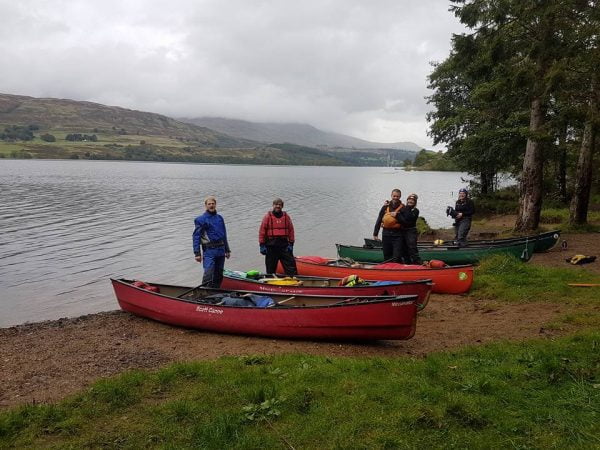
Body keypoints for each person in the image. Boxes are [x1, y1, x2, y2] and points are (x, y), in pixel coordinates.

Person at [192, 196, 231, 287]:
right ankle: (204, 292)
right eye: (209, 204)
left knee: (219, 274)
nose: (211, 205)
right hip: (209, 251)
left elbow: (224, 234)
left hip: (221, 250)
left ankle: (215, 293)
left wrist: (227, 250)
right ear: (206, 206)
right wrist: (197, 253)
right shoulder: (200, 219)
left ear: (215, 205)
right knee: (208, 274)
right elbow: (196, 236)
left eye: (213, 203)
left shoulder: (220, 218)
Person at [259, 198, 297, 275]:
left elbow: (291, 230)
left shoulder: (286, 217)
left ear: (282, 206)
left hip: (284, 245)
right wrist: (262, 245)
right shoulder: (267, 217)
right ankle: (270, 282)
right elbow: (262, 232)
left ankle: (293, 281)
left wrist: (291, 243)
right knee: (270, 269)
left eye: (279, 205)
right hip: (271, 246)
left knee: (291, 266)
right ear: (273, 205)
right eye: (276, 204)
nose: (278, 206)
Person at [372, 189, 404, 262]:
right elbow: (379, 219)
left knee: (397, 256)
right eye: (394, 196)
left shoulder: (403, 207)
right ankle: (388, 271)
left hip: (398, 235)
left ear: (400, 196)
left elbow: (405, 221)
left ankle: (397, 271)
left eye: (397, 196)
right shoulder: (385, 206)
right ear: (391, 195)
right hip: (386, 234)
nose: (395, 197)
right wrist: (375, 234)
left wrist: (397, 216)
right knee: (387, 255)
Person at [397, 193, 422, 264]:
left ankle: (417, 262)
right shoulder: (403, 208)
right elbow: (401, 219)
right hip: (402, 231)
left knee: (412, 247)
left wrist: (398, 215)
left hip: (411, 231)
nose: (410, 201)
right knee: (403, 248)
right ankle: (407, 263)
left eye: (412, 200)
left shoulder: (416, 210)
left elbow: (406, 220)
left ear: (415, 202)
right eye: (409, 200)